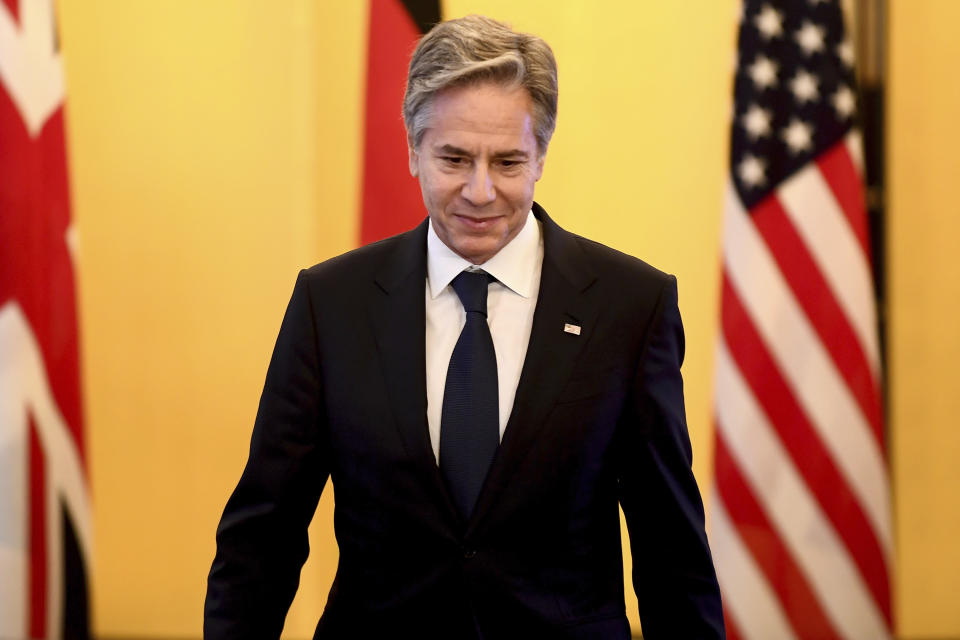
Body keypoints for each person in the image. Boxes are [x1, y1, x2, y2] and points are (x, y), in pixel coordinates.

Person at [205, 14, 724, 639]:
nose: (480, 192)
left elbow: (670, 549)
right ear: (412, 150)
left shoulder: (630, 307)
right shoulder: (332, 304)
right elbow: (264, 534)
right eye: (454, 158)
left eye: (507, 162)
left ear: (541, 157)